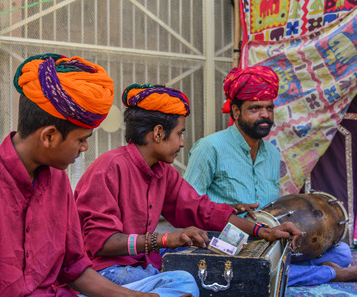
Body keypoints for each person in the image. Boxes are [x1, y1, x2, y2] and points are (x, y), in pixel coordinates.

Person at [0, 54, 194, 297]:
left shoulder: (57, 179)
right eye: (81, 140)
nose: (85, 148)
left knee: (181, 285)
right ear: (49, 136)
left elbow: (74, 268)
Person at [74, 83, 302, 288]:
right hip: (103, 270)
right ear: (158, 133)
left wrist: (261, 230)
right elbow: (100, 242)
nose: (182, 143)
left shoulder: (163, 172)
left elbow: (202, 211)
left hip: (140, 264)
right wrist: (163, 240)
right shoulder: (109, 168)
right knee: (186, 281)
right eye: (179, 134)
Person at [184, 66, 357, 286]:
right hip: (226, 241)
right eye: (255, 108)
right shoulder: (210, 147)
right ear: (236, 112)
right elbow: (188, 205)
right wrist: (230, 208)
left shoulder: (272, 154)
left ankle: (284, 270)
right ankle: (327, 274)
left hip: (268, 237)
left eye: (269, 108)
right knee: (247, 268)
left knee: (340, 252)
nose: (265, 115)